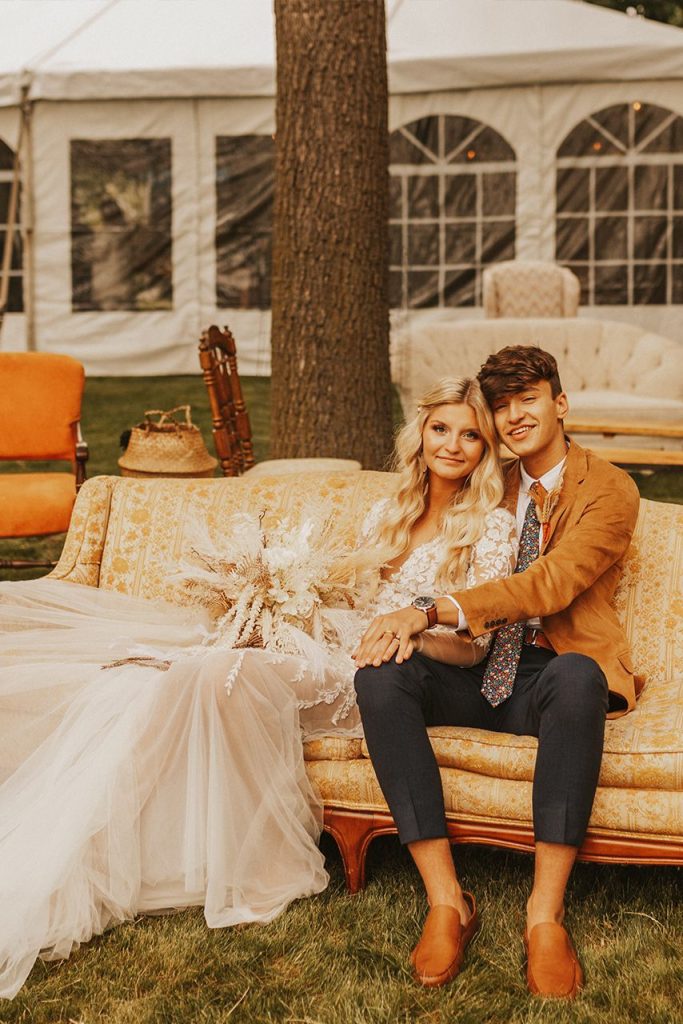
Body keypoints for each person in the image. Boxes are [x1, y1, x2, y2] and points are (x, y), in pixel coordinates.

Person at [0, 377, 516, 1000]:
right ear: (421, 432)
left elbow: (476, 645)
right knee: (194, 669)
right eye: (441, 429)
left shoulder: (491, 527)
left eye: (470, 435)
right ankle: (141, 847)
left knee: (225, 675)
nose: (453, 446)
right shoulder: (391, 510)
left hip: (396, 668)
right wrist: (281, 611)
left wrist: (412, 629)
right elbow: (347, 596)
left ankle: (262, 865)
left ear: (487, 449)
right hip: (336, 641)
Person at [354, 345, 641, 1000]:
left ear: (559, 404)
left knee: (577, 677)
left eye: (528, 400)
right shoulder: (487, 475)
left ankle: (543, 916)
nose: (514, 416)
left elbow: (549, 583)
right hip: (466, 668)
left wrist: (429, 610)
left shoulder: (608, 490)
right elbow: (414, 520)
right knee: (379, 676)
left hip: (542, 674)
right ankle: (446, 900)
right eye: (502, 406)